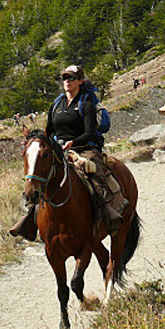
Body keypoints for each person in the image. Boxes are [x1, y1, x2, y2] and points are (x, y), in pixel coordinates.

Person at [10, 64, 127, 241]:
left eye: (71, 78)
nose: (67, 81)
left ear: (80, 81)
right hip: (59, 149)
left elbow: (89, 132)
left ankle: (106, 212)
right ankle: (30, 218)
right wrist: (35, 143)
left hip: (85, 148)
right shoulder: (57, 104)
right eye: (65, 78)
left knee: (94, 175)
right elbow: (48, 131)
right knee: (42, 176)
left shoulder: (86, 103)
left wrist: (74, 142)